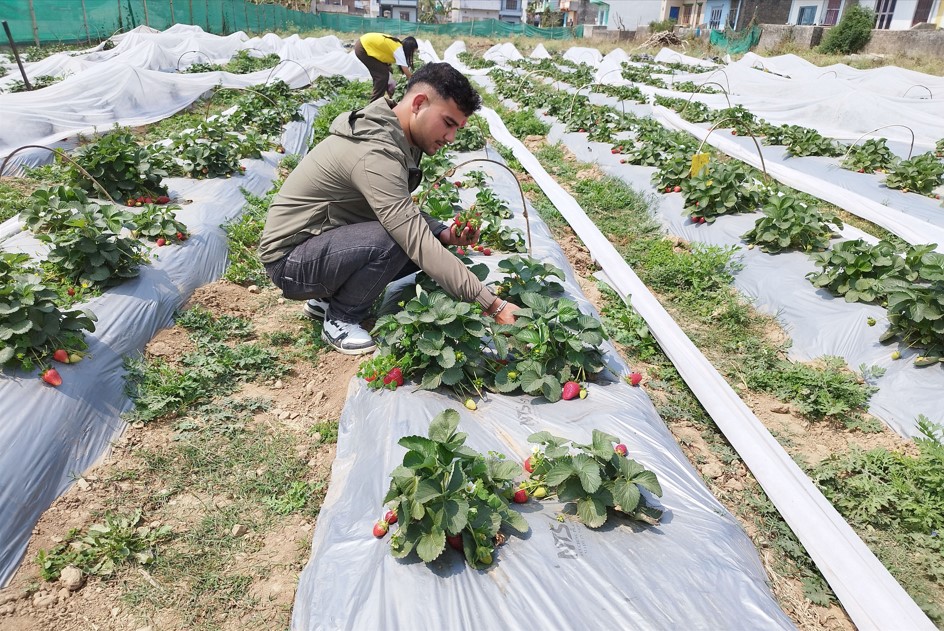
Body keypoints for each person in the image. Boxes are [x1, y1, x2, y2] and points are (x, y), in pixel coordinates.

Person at [258, 62, 519, 355]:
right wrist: (492, 304)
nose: (450, 138)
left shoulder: (398, 136)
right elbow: (409, 232)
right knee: (400, 241)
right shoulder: (375, 152)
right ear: (419, 104)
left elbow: (398, 208)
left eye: (457, 128)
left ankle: (326, 296)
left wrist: (444, 234)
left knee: (417, 240)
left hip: (320, 242)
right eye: (448, 123)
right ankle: (341, 317)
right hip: (290, 262)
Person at [354, 33, 419, 102]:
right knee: (382, 76)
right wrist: (415, 84)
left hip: (365, 44)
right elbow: (407, 73)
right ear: (409, 49)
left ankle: (389, 95)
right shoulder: (398, 49)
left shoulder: (396, 45)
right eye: (412, 52)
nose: (412, 55)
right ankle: (374, 103)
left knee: (387, 70)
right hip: (363, 47)